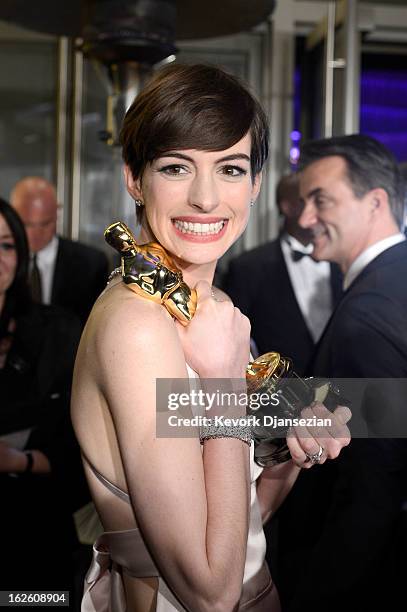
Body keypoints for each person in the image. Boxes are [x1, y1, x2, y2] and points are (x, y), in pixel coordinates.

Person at [71, 63, 351, 612]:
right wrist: (226, 381)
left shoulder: (214, 308)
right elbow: (209, 593)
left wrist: (290, 442)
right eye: (177, 167)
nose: (205, 198)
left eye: (229, 168)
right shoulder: (138, 327)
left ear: (255, 185)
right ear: (134, 177)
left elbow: (242, 516)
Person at [274, 134, 407, 612]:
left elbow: (373, 484)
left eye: (320, 200)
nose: (304, 218)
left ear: (375, 202)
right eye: (304, 201)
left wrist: (317, 595)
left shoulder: (367, 311)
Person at [0, 198, 86, 591]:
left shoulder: (59, 333)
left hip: (37, 542)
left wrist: (22, 460)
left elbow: (85, 449)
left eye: (5, 245)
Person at [222, 172, 342, 374]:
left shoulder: (341, 260)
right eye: (310, 201)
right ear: (288, 206)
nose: (320, 211)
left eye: (320, 201)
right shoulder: (247, 267)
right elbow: (233, 343)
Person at [10, 177, 109, 325]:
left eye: (44, 224)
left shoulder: (91, 264)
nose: (35, 234)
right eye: (27, 224)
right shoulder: (5, 260)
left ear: (57, 214)